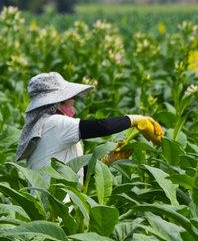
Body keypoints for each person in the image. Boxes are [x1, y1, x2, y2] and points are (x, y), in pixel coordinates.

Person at [16, 72, 163, 182]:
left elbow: (74, 174)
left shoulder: (46, 127)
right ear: (56, 103)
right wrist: (135, 119)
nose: (73, 101)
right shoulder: (55, 123)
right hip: (54, 212)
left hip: (60, 210)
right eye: (69, 97)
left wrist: (104, 161)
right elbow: (102, 127)